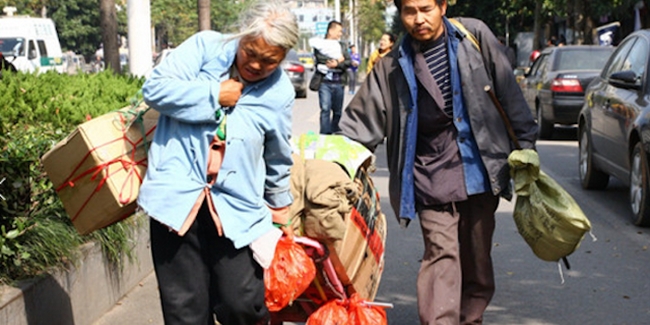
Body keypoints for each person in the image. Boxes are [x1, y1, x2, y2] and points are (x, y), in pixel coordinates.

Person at [337, 0, 538, 324]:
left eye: (426, 8)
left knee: (477, 260)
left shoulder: (474, 36)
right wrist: (333, 164)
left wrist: (526, 147)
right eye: (409, 11)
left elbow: (508, 91)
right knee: (440, 254)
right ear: (400, 14)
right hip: (430, 174)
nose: (418, 19)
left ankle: (470, 318)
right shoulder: (391, 66)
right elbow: (358, 125)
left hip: (482, 167)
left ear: (443, 6)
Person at [137, 1, 298, 324]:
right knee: (184, 309)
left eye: (269, 61)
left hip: (237, 208)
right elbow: (155, 89)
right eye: (250, 53)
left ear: (282, 56)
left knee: (243, 303)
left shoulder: (279, 90)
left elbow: (278, 154)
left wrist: (280, 212)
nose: (255, 65)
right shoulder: (204, 47)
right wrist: (213, 94)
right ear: (241, 37)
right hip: (177, 201)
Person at [313, 21, 351, 134]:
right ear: (331, 31)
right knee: (325, 109)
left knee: (338, 112)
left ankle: (335, 134)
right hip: (324, 83)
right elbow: (320, 58)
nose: (340, 34)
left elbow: (348, 61)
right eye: (339, 31)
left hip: (339, 83)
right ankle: (325, 135)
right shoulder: (320, 45)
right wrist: (339, 59)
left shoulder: (343, 46)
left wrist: (337, 64)